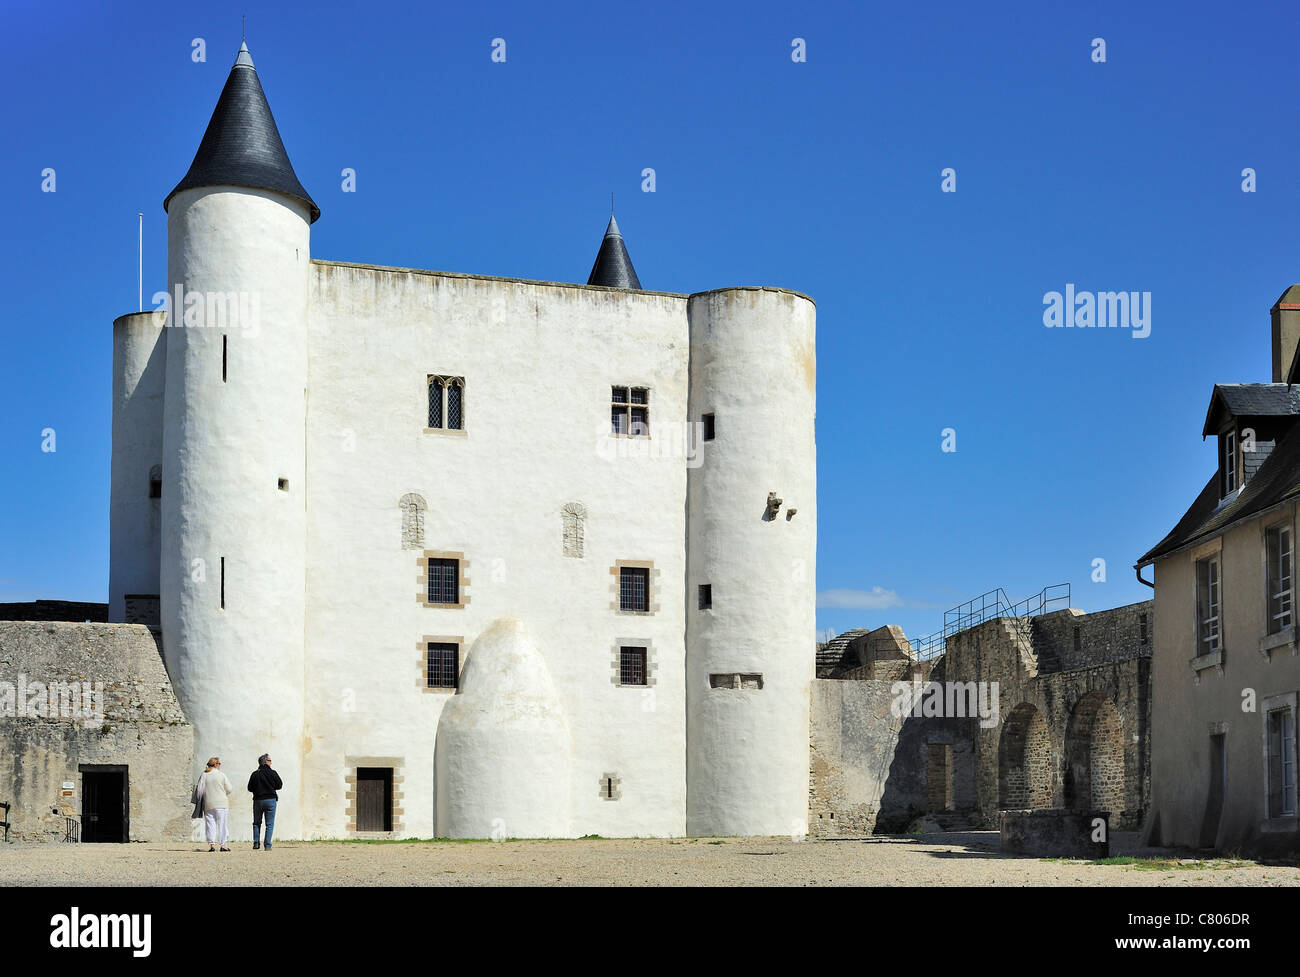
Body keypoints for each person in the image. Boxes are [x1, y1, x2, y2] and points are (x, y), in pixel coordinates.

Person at [198, 756, 235, 852]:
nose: (220, 765)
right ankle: (223, 845)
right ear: (216, 764)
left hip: (208, 804)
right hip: (221, 803)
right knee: (222, 824)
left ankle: (211, 845)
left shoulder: (204, 775)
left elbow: (199, 790)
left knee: (210, 825)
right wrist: (223, 793)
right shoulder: (221, 775)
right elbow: (229, 789)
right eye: (219, 764)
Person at [247, 753, 283, 851]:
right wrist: (271, 787)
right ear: (266, 762)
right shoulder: (273, 773)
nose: (271, 762)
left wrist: (257, 789)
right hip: (270, 800)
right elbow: (279, 785)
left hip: (258, 800)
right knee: (269, 824)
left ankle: (256, 843)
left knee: (256, 823)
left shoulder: (255, 774)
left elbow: (249, 788)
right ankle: (267, 845)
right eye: (270, 760)